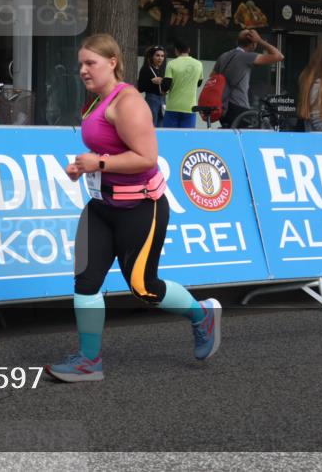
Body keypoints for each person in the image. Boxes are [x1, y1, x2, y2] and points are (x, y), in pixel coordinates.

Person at [45, 34, 221, 383]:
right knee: (86, 281)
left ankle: (202, 315)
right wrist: (84, 167)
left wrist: (100, 164)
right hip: (101, 207)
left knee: (144, 287)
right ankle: (88, 361)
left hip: (140, 207)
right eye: (80, 63)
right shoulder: (96, 102)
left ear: (112, 62)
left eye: (90, 63)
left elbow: (146, 158)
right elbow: (104, 152)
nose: (83, 70)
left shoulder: (127, 102)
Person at [213, 29, 284, 127]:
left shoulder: (223, 56)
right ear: (253, 44)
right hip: (238, 106)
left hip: (222, 106)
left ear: (237, 41)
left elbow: (212, 77)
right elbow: (279, 56)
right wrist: (260, 40)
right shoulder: (247, 57)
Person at [161, 41, 203, 129]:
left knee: (170, 136)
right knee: (186, 137)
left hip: (173, 107)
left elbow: (166, 84)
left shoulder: (171, 64)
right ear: (189, 50)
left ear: (176, 51)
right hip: (190, 107)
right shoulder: (199, 64)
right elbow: (199, 83)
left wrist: (163, 91)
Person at [136, 45, 166, 127]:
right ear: (152, 56)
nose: (160, 58)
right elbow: (140, 88)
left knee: (161, 124)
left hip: (162, 99)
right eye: (157, 55)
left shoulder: (162, 70)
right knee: (152, 124)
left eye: (162, 56)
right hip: (151, 99)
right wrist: (151, 82)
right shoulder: (146, 69)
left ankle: (159, 140)